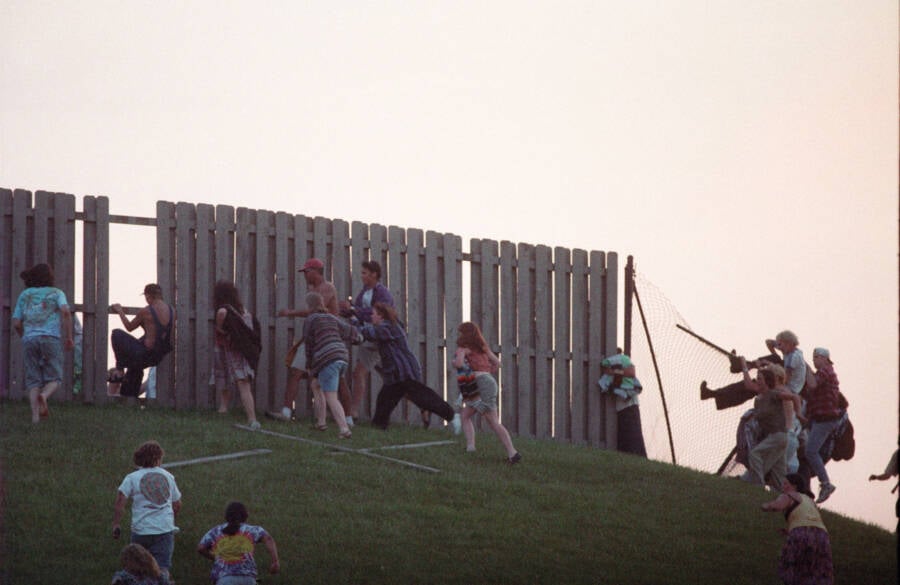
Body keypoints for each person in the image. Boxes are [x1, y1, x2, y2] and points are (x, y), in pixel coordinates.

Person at [359, 302, 461, 435]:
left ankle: (453, 416)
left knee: (424, 397)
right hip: (395, 375)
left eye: (373, 314)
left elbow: (370, 332)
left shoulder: (388, 327)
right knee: (384, 400)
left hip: (404, 371)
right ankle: (378, 428)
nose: (371, 316)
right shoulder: (390, 325)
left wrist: (354, 324)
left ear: (381, 316)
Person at [269, 258, 347, 422]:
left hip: (326, 339)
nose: (304, 275)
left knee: (337, 379)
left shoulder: (327, 287)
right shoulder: (315, 289)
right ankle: (286, 412)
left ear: (315, 271)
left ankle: (348, 418)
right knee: (296, 372)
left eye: (306, 271)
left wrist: (290, 313)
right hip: (314, 338)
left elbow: (317, 310)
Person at [11, 263, 74, 423]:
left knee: (33, 379)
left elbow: (17, 323)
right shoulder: (57, 293)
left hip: (29, 339)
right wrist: (69, 337)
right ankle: (44, 396)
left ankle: (35, 419)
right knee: (55, 377)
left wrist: (24, 336)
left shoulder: (25, 295)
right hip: (50, 338)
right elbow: (66, 312)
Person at [112, 441, 182, 583]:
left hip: (141, 530)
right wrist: (171, 520)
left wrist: (116, 523)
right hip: (164, 530)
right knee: (161, 569)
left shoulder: (132, 477)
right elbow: (177, 503)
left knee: (136, 566)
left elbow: (121, 500)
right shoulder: (168, 477)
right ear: (158, 459)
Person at [339, 260, 398, 425]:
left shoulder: (383, 293)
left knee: (359, 373)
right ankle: (422, 404)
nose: (362, 275)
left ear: (374, 274)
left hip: (376, 339)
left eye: (365, 273)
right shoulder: (365, 291)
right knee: (392, 379)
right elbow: (357, 310)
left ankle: (353, 412)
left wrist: (354, 310)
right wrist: (346, 309)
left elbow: (377, 314)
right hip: (367, 337)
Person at [452, 322, 518, 462]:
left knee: (493, 422)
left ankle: (512, 453)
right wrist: (487, 371)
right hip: (488, 382)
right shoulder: (483, 348)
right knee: (465, 415)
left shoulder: (464, 348)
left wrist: (457, 359)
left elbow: (458, 364)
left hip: (480, 385)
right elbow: (497, 363)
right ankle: (470, 447)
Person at [302, 291, 361, 438]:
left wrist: (309, 365)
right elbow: (351, 331)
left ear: (309, 306)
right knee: (316, 385)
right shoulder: (331, 317)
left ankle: (344, 429)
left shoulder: (311, 320)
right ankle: (321, 423)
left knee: (331, 396)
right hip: (341, 356)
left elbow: (308, 343)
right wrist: (359, 337)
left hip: (328, 359)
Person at [761, 473, 834, 585]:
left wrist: (767, 505)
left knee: (794, 568)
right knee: (817, 570)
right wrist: (789, 531)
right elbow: (808, 520)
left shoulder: (789, 495)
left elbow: (778, 506)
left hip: (800, 533)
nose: (783, 486)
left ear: (794, 486)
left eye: (786, 483)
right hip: (822, 536)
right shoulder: (809, 500)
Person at [743, 362, 804, 490]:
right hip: (780, 437)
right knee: (778, 471)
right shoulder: (761, 398)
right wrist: (744, 366)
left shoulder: (777, 393)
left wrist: (799, 414)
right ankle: (785, 494)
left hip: (782, 435)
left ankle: (756, 485)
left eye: (760, 378)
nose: (757, 381)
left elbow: (795, 397)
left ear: (770, 379)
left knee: (755, 455)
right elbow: (749, 385)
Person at [108, 284, 174, 398]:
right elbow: (160, 332)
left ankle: (119, 370)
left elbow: (129, 327)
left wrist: (120, 311)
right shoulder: (172, 310)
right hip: (158, 355)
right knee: (135, 368)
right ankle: (129, 397)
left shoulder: (147, 311)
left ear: (148, 296)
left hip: (145, 353)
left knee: (116, 334)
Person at [210, 280, 260, 430]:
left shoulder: (222, 311)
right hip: (242, 351)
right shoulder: (244, 311)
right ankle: (225, 409)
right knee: (236, 380)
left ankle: (251, 419)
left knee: (234, 381)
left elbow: (220, 330)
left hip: (230, 350)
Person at [198, 501, 280, 584]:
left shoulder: (216, 531)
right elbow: (268, 539)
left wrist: (216, 558)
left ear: (226, 516)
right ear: (245, 516)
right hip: (248, 578)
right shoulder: (252, 530)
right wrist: (275, 561)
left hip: (224, 578)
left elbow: (201, 548)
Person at [802, 347, 842, 504]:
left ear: (825, 358)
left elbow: (812, 385)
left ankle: (826, 484)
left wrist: (804, 365)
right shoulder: (823, 372)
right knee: (809, 451)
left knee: (811, 451)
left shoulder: (826, 371)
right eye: (813, 357)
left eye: (816, 357)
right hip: (818, 418)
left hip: (825, 419)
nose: (814, 359)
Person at [598, 352, 647, 457]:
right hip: (622, 408)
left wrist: (612, 371)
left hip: (629, 406)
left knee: (633, 439)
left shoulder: (623, 361)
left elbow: (631, 372)